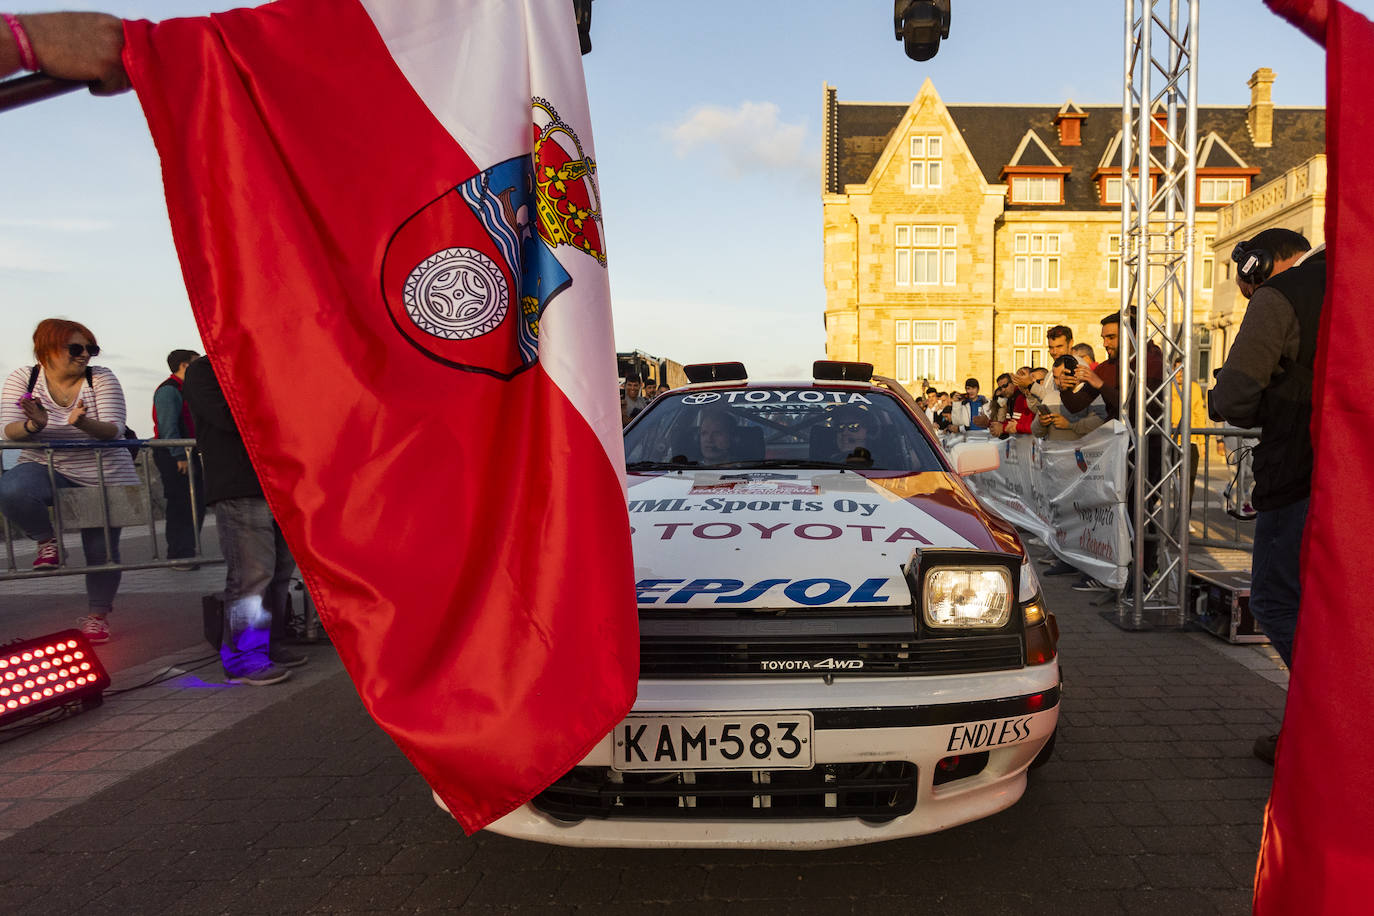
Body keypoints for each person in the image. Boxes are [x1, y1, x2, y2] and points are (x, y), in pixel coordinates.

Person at [1210, 228, 1321, 764]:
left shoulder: (1285, 294)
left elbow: (1236, 395)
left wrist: (1245, 404)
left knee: (1277, 600)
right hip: (1351, 474)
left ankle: (1322, 725)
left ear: (1259, 265)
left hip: (1300, 470)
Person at [0, 319, 138, 642]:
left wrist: (85, 424)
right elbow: (10, 430)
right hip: (47, 467)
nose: (85, 355)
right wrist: (35, 426)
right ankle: (48, 541)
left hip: (102, 476)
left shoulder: (101, 378)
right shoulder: (24, 378)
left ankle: (97, 617)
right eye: (76, 348)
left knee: (101, 553)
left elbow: (114, 429)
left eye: (91, 348)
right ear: (46, 351)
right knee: (11, 488)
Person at [182, 356, 306, 685]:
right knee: (252, 574)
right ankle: (243, 657)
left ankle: (271, 642)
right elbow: (230, 416)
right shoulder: (204, 370)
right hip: (239, 484)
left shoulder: (263, 364)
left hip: (278, 483)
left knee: (280, 571)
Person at [152, 348, 205, 565]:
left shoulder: (187, 389)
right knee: (181, 503)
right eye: (196, 363)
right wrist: (178, 456)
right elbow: (168, 425)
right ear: (184, 365)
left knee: (196, 502)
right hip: (174, 454)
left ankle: (188, 550)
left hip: (189, 451)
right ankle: (179, 553)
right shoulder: (169, 390)